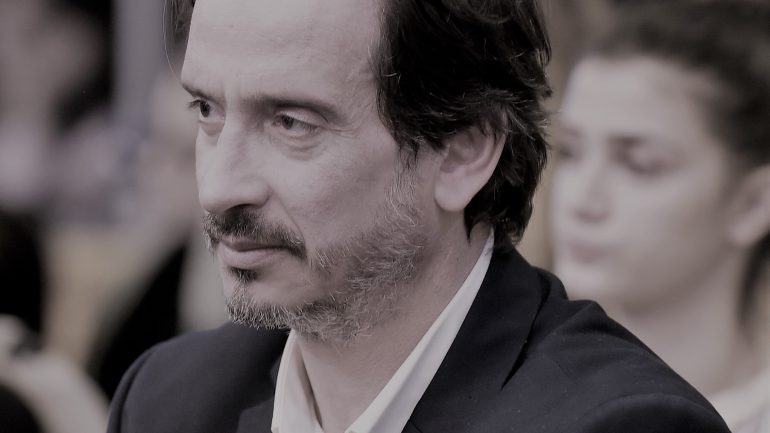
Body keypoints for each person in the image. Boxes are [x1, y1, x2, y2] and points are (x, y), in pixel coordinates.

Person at [107, 1, 730, 432]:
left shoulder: (620, 424)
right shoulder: (169, 399)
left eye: (292, 123)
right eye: (207, 111)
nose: (218, 188)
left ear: (462, 151)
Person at [549, 2, 770, 433]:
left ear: (752, 204)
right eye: (570, 153)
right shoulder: (489, 380)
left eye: (640, 165)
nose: (582, 200)